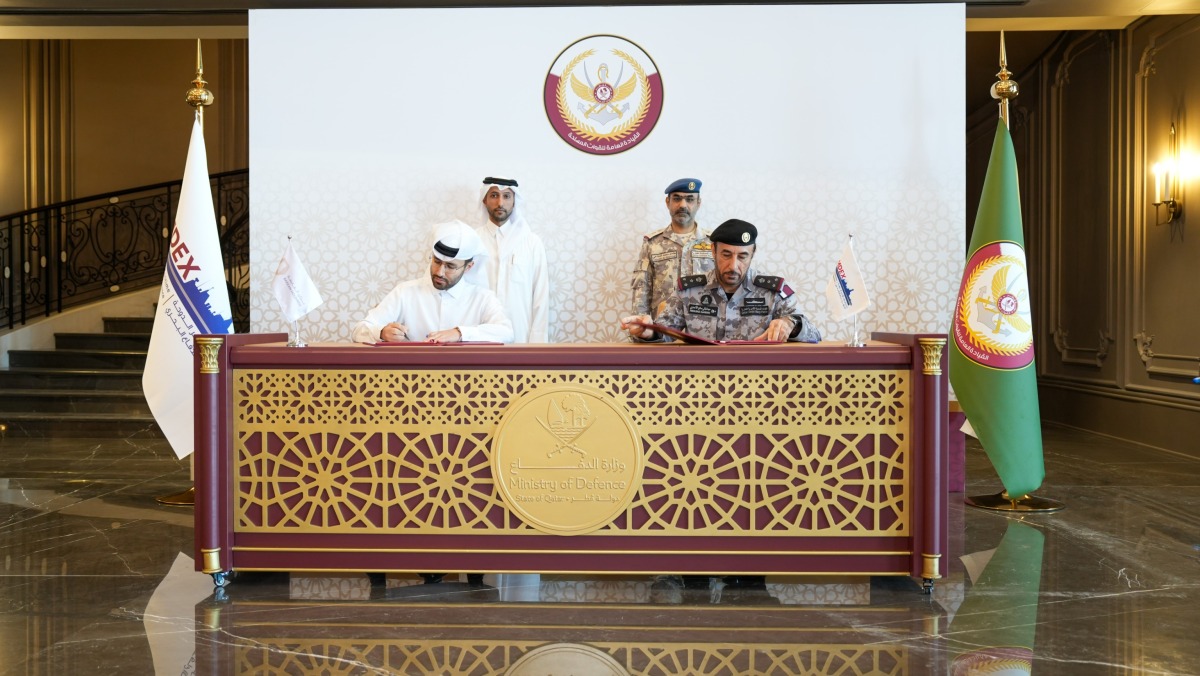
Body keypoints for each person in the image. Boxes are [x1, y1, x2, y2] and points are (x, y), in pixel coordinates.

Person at [621, 218, 821, 345]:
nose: (733, 266)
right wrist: (648, 332)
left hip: (758, 384)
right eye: (726, 254)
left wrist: (791, 324)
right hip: (700, 383)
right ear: (713, 251)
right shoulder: (689, 290)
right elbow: (665, 332)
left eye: (742, 257)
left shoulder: (773, 291)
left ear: (753, 254)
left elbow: (814, 335)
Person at [351, 220, 514, 344]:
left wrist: (460, 333)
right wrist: (381, 332)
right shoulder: (405, 292)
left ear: (468, 267)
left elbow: (507, 332)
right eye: (436, 261)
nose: (439, 272)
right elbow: (359, 330)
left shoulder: (482, 298)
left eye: (450, 266)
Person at [471, 176, 550, 343]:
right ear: (484, 200)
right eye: (494, 195)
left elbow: (540, 299)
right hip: (479, 335)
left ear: (514, 201)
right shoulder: (472, 242)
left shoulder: (531, 242)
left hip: (520, 336)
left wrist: (537, 347)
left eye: (506, 196)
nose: (500, 202)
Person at [631, 178, 714, 319]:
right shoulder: (652, 243)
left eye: (689, 199)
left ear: (698, 203)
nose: (683, 205)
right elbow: (642, 288)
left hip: (704, 325)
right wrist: (641, 326)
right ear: (667, 202)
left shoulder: (713, 242)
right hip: (664, 327)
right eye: (677, 199)